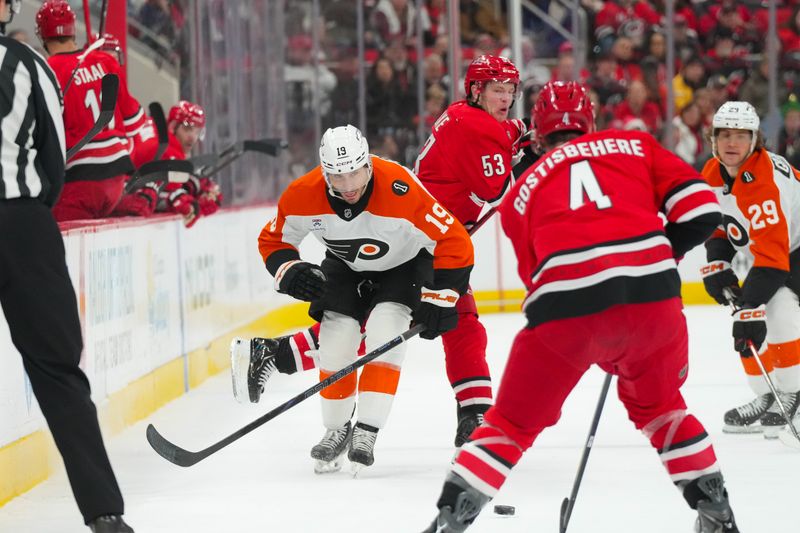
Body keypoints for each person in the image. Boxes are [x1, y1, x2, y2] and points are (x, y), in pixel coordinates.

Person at [423, 81, 738, 533]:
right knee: (664, 409)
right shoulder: (635, 144)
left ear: (537, 132)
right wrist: (654, 259)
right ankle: (718, 513)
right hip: (654, 302)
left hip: (566, 311)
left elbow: (538, 279)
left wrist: (596, 331)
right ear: (590, 122)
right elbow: (703, 212)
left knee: (509, 425)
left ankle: (449, 521)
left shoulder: (520, 191)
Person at [229, 55, 525, 448]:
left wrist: (526, 139)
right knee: (457, 320)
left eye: (509, 92)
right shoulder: (472, 124)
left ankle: (275, 353)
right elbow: (496, 187)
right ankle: (474, 413)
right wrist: (531, 155)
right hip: (420, 241)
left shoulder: (469, 119)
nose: (505, 99)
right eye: (496, 90)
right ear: (475, 91)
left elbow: (508, 136)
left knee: (375, 325)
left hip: (421, 236)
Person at [238, 125, 473, 473]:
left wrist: (441, 297)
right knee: (336, 338)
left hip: (405, 266)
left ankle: (367, 429)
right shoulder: (303, 193)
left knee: (385, 331)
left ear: (369, 165)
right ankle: (337, 429)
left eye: (354, 173)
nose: (348, 186)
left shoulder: (401, 188)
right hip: (346, 265)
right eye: (337, 176)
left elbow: (454, 240)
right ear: (323, 171)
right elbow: (274, 241)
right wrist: (290, 271)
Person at [0, 1, 133, 531]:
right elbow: (55, 162)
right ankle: (103, 514)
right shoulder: (28, 65)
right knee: (58, 369)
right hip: (23, 228)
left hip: (24, 224)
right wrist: (29, 212)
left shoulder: (34, 62)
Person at [700, 101, 800, 439]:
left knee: (777, 306)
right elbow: (718, 224)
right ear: (713, 139)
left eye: (740, 136)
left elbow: (773, 261)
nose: (731, 143)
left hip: (794, 249)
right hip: (780, 248)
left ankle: (793, 393)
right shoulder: (712, 173)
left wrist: (751, 309)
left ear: (754, 140)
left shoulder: (762, 183)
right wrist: (718, 262)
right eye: (724, 135)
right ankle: (769, 396)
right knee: (745, 310)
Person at [35, 0, 146, 222]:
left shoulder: (47, 70)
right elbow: (136, 121)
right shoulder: (105, 61)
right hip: (115, 180)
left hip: (78, 183)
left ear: (41, 35)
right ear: (72, 30)